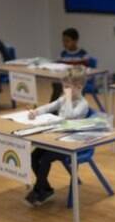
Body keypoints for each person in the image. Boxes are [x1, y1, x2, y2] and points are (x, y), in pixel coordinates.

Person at [25, 66, 89, 207]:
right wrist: (36, 112)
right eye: (63, 86)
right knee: (34, 157)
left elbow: (68, 116)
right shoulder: (64, 98)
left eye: (67, 87)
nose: (64, 90)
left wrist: (66, 99)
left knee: (45, 159)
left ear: (79, 87)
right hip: (55, 137)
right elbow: (49, 107)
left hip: (70, 143)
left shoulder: (83, 104)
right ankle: (45, 188)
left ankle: (38, 189)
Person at [49, 28, 90, 102]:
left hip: (77, 80)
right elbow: (58, 66)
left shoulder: (82, 53)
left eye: (67, 41)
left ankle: (75, 106)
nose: (64, 43)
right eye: (63, 41)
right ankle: (53, 109)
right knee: (56, 84)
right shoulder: (63, 54)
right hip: (65, 79)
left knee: (77, 87)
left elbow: (85, 68)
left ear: (75, 41)